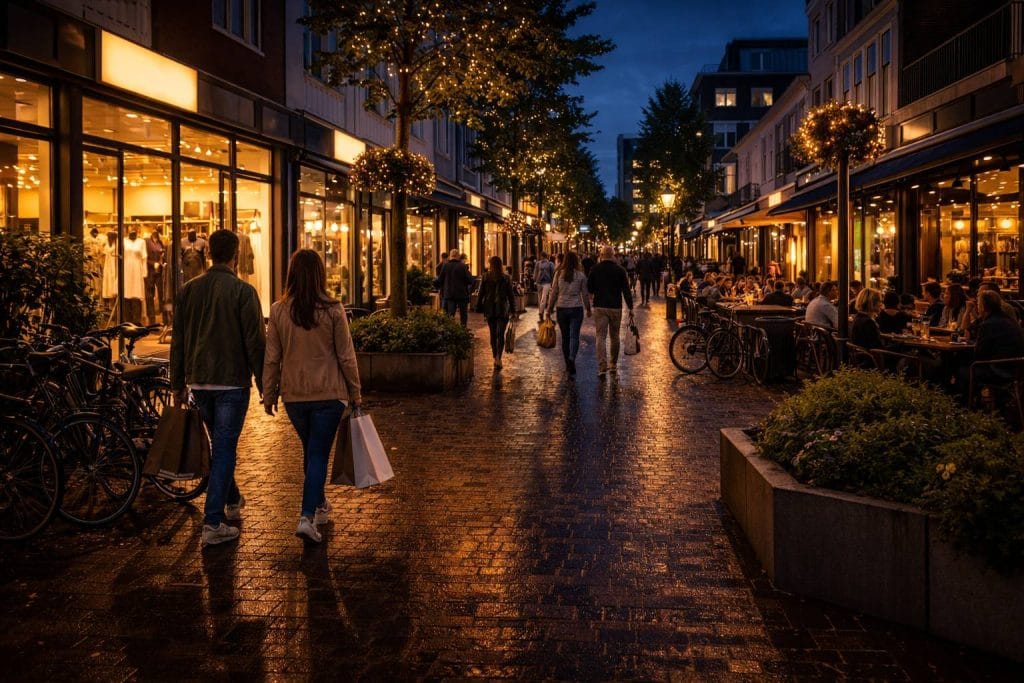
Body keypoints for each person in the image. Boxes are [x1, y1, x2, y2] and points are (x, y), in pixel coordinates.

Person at [170, 229, 265, 548]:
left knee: (219, 445)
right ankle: (213, 522)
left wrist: (177, 383)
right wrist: (265, 383)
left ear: (208, 253)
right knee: (224, 448)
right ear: (236, 255)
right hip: (231, 381)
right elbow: (255, 342)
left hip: (199, 380)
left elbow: (178, 340)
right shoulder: (243, 292)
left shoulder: (188, 290)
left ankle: (233, 498)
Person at [262, 249, 361, 544]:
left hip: (295, 396)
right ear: (320, 275)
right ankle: (306, 516)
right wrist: (356, 392)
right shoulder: (333, 309)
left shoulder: (279, 310)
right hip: (329, 394)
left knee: (311, 450)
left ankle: (319, 505)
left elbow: (272, 358)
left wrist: (269, 394)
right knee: (317, 453)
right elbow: (346, 356)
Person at [588, 246, 633, 376]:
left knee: (600, 337)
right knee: (615, 336)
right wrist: (630, 307)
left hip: (600, 306)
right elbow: (626, 290)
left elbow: (590, 288)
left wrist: (593, 297)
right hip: (615, 307)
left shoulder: (595, 269)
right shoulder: (620, 270)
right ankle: (613, 364)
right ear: (613, 256)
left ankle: (602, 366)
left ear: (601, 255)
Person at [547, 251, 591, 377]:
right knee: (574, 336)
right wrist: (588, 308)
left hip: (562, 308)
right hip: (576, 308)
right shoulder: (581, 275)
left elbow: (554, 292)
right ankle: (572, 359)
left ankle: (568, 364)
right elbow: (585, 294)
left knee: (565, 338)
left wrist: (549, 309)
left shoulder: (559, 274)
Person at [475, 256, 516, 369]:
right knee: (500, 334)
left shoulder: (486, 277)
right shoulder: (506, 278)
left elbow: (481, 293)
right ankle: (499, 358)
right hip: (503, 309)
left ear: (491, 265)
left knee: (493, 334)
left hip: (490, 309)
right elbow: (511, 296)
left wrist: (478, 306)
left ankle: (495, 357)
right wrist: (513, 311)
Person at [437, 248, 473, 327]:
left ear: (450, 256)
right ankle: (463, 330)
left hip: (449, 294)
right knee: (463, 315)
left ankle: (451, 331)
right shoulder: (463, 266)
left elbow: (440, 280)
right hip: (462, 294)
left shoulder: (446, 266)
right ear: (458, 256)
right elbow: (470, 280)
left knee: (450, 315)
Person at [534, 252, 555, 321]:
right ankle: (542, 313)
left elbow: (535, 273)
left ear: (542, 256)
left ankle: (541, 313)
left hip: (543, 283)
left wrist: (535, 280)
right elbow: (552, 274)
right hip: (544, 283)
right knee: (542, 299)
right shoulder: (549, 264)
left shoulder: (541, 263)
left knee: (542, 299)